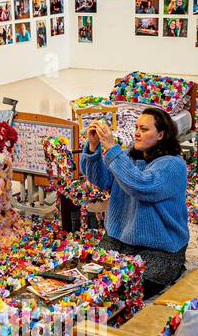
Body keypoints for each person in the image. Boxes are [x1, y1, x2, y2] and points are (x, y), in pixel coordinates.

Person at [79, 108, 189, 297]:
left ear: (161, 134)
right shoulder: (128, 157)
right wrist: (93, 146)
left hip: (159, 249)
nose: (137, 133)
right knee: (89, 279)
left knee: (127, 290)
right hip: (119, 240)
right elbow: (102, 179)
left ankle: (176, 267)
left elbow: (141, 186)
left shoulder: (173, 165)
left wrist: (112, 148)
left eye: (144, 129)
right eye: (137, 127)